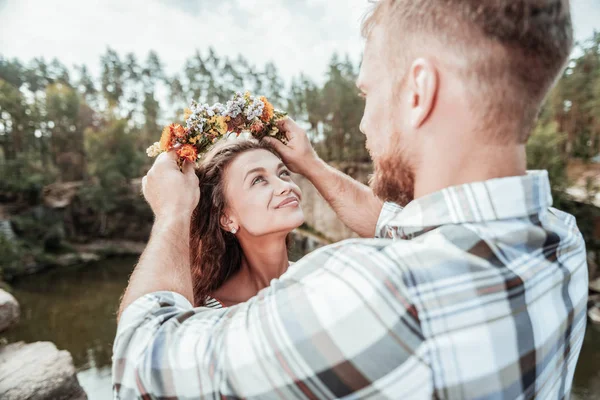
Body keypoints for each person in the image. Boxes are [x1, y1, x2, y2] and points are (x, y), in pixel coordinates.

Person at [113, 0, 588, 398]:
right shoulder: (561, 240)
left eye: (367, 93)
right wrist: (312, 164)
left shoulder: (368, 292)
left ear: (419, 92)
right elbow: (396, 223)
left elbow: (139, 365)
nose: (362, 124)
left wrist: (174, 212)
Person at [189, 139, 304, 308]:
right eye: (258, 180)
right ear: (227, 219)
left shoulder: (320, 279)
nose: (285, 186)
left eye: (283, 173)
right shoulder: (209, 311)